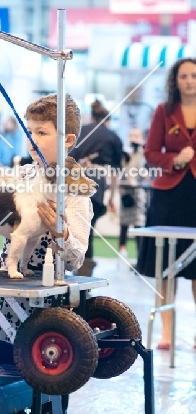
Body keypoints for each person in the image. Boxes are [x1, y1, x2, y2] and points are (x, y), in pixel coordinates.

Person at [0, 93, 93, 364]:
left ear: (67, 140)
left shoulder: (75, 192)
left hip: (50, 315)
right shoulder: (20, 176)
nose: (32, 138)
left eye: (41, 132)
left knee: (48, 392)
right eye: (29, 130)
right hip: (4, 306)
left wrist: (62, 234)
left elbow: (76, 259)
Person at [136, 58, 196, 350]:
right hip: (168, 195)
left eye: (194, 76)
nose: (189, 81)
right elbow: (150, 153)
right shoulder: (163, 111)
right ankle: (166, 334)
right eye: (184, 76)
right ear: (176, 80)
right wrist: (174, 160)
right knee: (166, 267)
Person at [72, 100, 123, 276]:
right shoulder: (113, 137)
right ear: (107, 120)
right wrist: (111, 198)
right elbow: (116, 172)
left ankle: (62, 273)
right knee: (87, 232)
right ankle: (83, 278)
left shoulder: (79, 132)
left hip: (73, 184)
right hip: (95, 187)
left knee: (69, 229)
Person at [118, 128, 147, 259]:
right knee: (123, 225)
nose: (133, 138)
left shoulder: (144, 153)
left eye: (136, 135)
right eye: (131, 135)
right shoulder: (125, 154)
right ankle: (122, 252)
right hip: (126, 191)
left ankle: (139, 257)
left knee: (138, 224)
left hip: (138, 192)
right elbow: (122, 171)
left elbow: (145, 173)